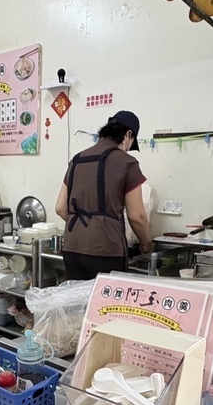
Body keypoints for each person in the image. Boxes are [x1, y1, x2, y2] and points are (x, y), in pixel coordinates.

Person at [55, 111, 152, 280]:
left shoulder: (76, 160)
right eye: (131, 143)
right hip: (106, 252)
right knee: (106, 298)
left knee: (77, 297)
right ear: (128, 135)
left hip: (72, 248)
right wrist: (145, 244)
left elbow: (60, 208)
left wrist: (86, 227)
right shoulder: (127, 162)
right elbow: (137, 217)